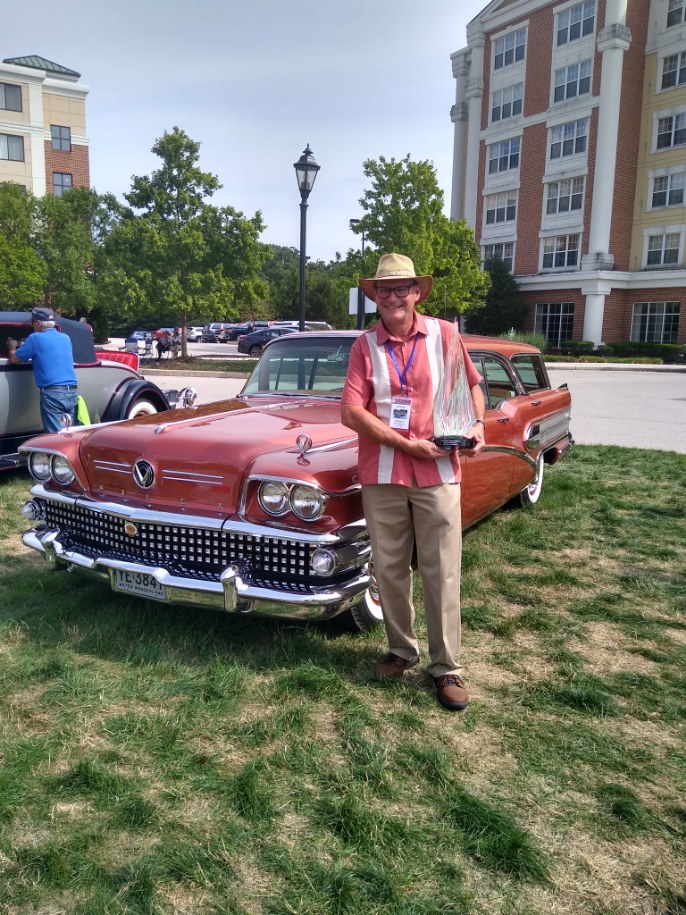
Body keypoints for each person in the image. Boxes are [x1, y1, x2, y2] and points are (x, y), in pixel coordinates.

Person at [341, 253, 485, 712]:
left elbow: (473, 388)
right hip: (382, 475)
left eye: (402, 287)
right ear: (375, 297)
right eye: (385, 289)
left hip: (439, 471)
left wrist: (477, 424)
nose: (394, 296)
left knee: (442, 570)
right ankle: (401, 649)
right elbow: (351, 411)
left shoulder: (445, 335)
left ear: (417, 293)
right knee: (389, 569)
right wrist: (405, 445)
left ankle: (446, 668)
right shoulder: (365, 346)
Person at [6, 306, 78, 433]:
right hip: (71, 391)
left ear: (38, 323)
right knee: (68, 433)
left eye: (33, 323)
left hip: (52, 393)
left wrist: (12, 347)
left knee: (54, 437)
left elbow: (15, 359)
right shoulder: (66, 338)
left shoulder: (35, 338)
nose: (33, 326)